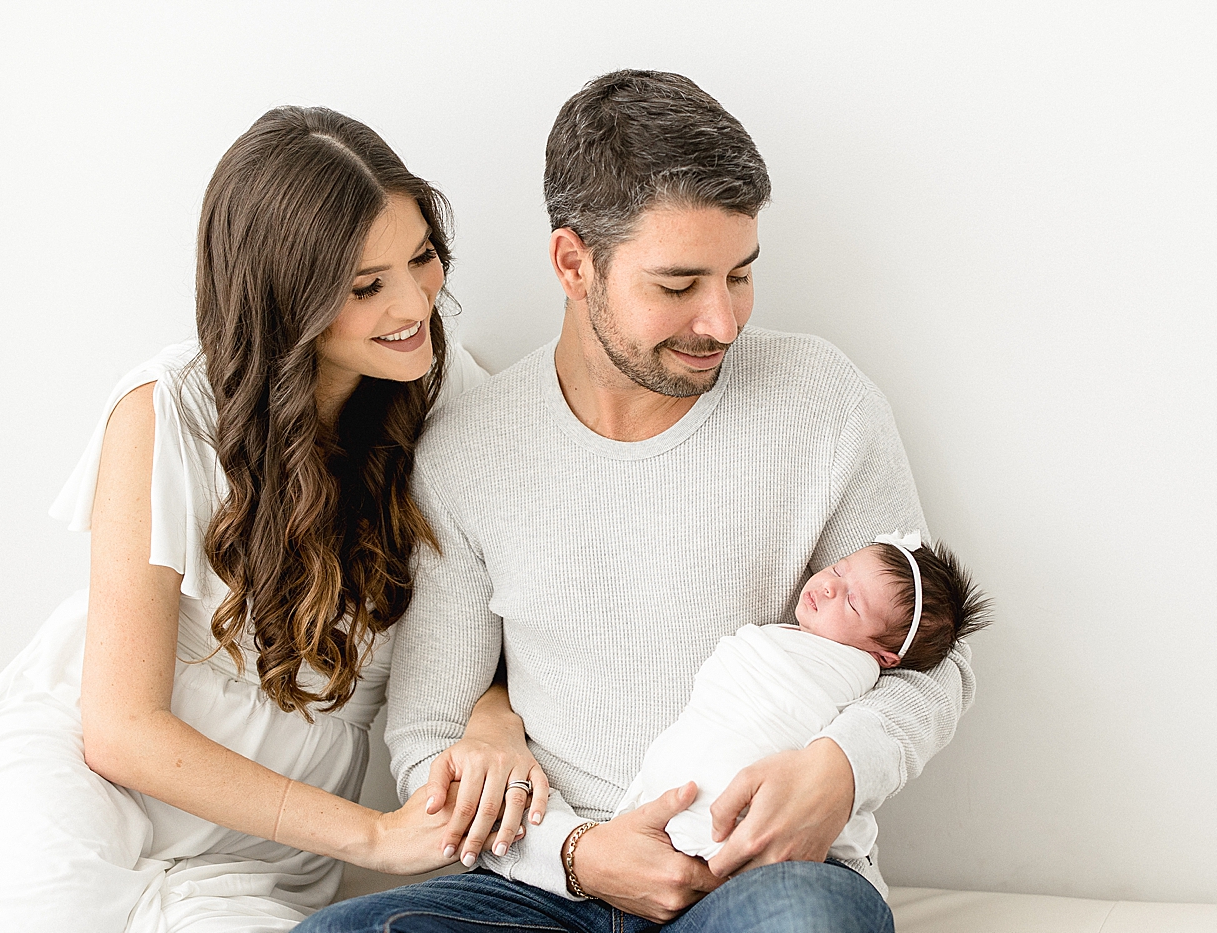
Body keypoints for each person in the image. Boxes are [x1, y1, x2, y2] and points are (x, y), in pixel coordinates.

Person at [0, 106, 548, 933]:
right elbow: (122, 729)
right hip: (86, 774)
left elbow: (517, 607)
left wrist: (493, 713)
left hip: (263, 844)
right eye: (365, 286)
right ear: (287, 300)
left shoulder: (459, 411)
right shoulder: (167, 413)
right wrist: (374, 836)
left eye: (422, 258)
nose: (416, 302)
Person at [299, 70, 978, 933]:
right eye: (678, 284)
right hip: (541, 884)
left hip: (758, 872)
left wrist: (842, 767)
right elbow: (430, 735)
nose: (722, 321)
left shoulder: (825, 403)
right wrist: (579, 856)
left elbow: (934, 660)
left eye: (740, 274)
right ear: (574, 262)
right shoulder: (470, 453)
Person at [620, 532, 991, 863]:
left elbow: (940, 678)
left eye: (853, 604)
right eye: (838, 570)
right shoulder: (793, 640)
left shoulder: (848, 671)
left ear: (883, 658)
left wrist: (842, 765)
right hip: (615, 842)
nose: (830, 587)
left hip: (758, 826)